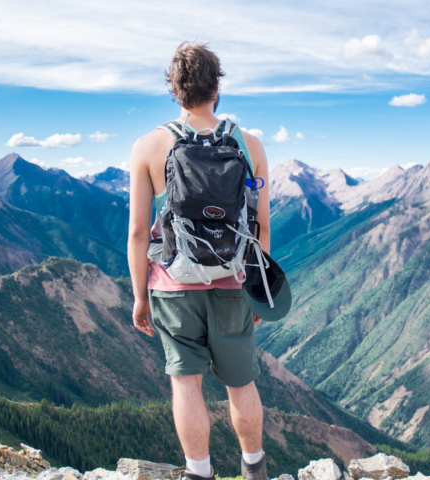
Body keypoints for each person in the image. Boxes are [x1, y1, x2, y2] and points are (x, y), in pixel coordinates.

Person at [127, 42, 271, 480]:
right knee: (240, 383)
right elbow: (261, 227)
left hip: (173, 286)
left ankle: (198, 473)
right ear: (217, 85)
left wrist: (139, 297)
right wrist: (259, 290)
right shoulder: (248, 145)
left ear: (174, 89)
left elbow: (136, 232)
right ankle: (253, 469)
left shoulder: (149, 146)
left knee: (186, 384)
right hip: (232, 282)